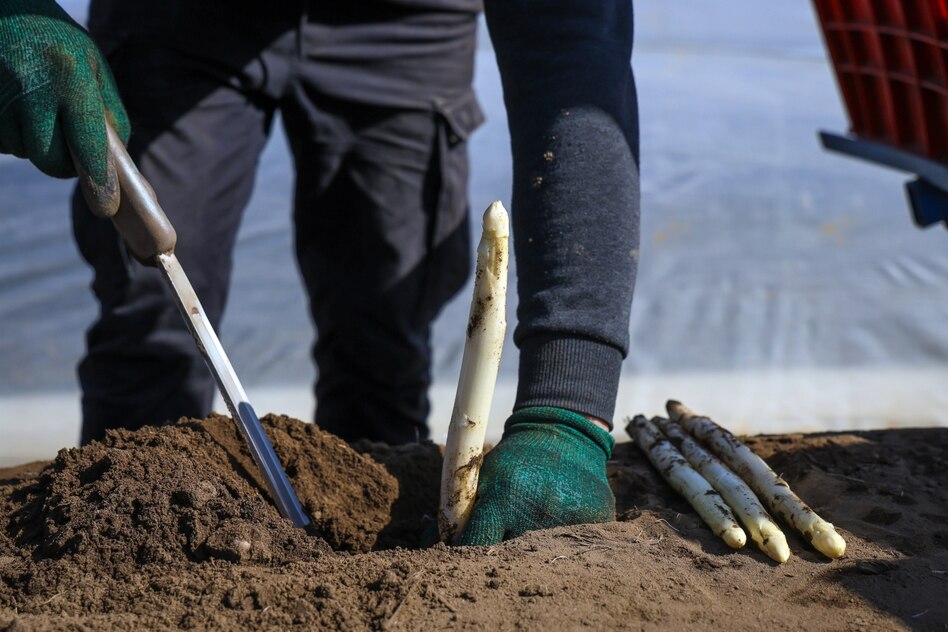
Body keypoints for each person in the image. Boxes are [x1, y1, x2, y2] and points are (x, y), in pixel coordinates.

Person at [0, 0, 639, 545]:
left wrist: (567, 409)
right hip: (180, 16)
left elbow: (573, 46)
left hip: (403, 22)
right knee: (151, 328)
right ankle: (122, 545)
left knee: (381, 342)